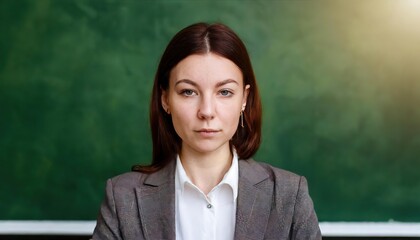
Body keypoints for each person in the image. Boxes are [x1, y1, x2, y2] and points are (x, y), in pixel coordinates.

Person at [93, 22, 321, 240]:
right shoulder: (123, 197)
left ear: (244, 98)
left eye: (224, 92)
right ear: (165, 99)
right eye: (188, 92)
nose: (207, 111)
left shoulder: (289, 195)